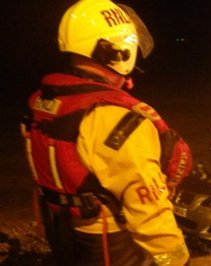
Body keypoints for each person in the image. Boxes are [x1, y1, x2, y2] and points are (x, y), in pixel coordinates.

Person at [20, 0, 193, 265]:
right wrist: (178, 260)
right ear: (117, 52)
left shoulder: (42, 102)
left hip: (62, 231)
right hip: (108, 245)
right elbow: (150, 212)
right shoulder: (116, 118)